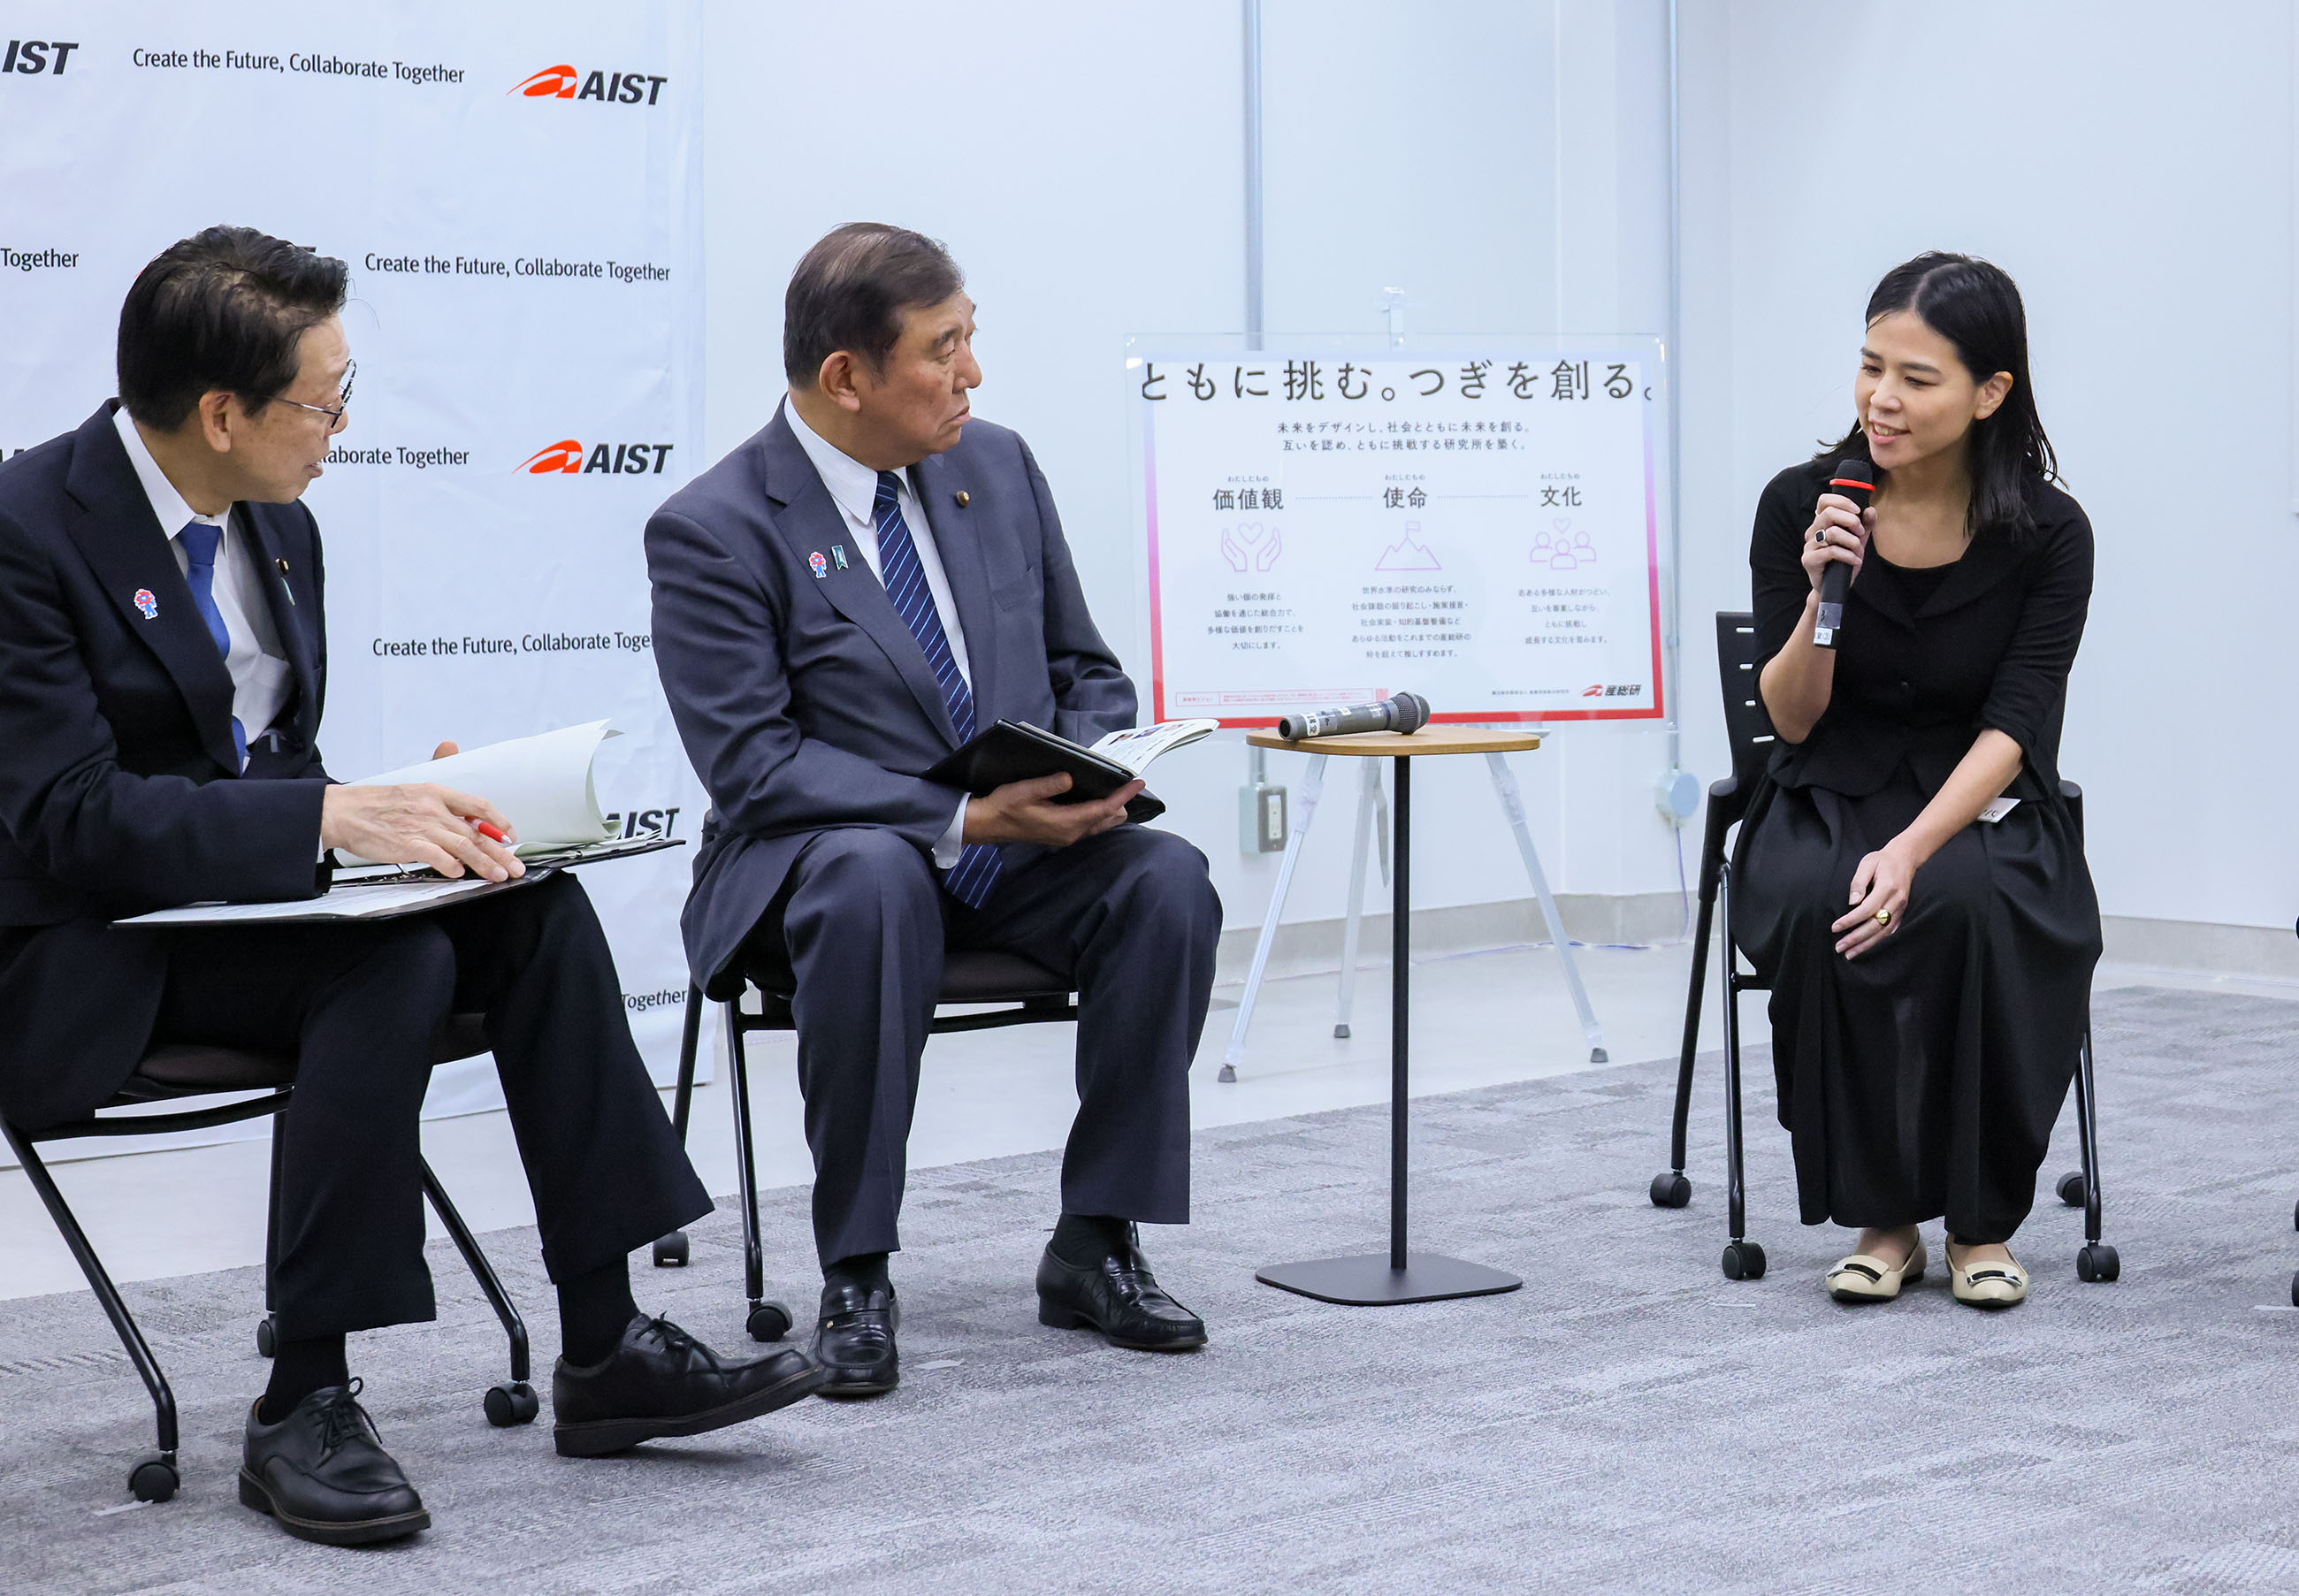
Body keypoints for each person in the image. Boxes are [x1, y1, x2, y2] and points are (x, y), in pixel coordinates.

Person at [0, 227, 824, 1546]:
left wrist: (396, 817)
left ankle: (606, 1345)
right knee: (387, 960)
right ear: (221, 413)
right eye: (324, 401)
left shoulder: (283, 526)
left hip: (232, 921)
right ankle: (303, 1398)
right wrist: (330, 818)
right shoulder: (25, 530)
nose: (339, 428)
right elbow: (73, 820)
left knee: (528, 909)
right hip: (75, 957)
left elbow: (266, 766)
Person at [647, 223, 1221, 1396]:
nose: (972, 374)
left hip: (1020, 854)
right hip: (819, 875)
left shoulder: (996, 465)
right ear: (846, 375)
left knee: (1169, 880)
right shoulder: (715, 528)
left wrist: (1094, 764)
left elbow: (1083, 666)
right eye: (943, 348)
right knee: (871, 875)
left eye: (972, 340)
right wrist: (958, 820)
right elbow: (755, 769)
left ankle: (1098, 1241)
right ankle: (857, 1268)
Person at [1733, 251, 2101, 1310]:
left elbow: (2014, 721)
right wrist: (1816, 595)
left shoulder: (2047, 533)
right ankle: (1884, 1217)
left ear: (1991, 392)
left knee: (1974, 904)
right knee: (1821, 899)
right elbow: (1791, 715)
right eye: (1867, 366)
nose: (1879, 398)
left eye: (1915, 376)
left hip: (1975, 799)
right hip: (1827, 788)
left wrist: (1909, 849)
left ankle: (1980, 1222)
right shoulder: (1802, 504)